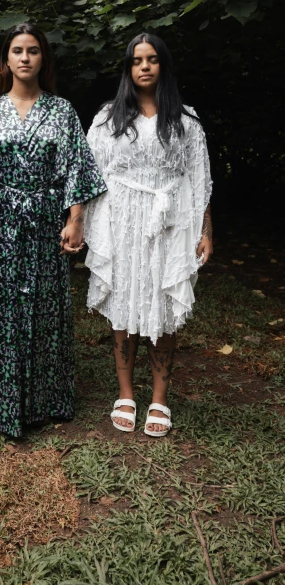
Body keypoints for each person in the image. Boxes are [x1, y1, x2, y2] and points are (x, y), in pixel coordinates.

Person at [0, 23, 107, 437]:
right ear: (6, 60)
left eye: (33, 51)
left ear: (43, 59)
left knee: (48, 308)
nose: (25, 58)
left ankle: (49, 399)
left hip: (47, 219)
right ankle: (2, 401)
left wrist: (74, 221)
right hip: (3, 221)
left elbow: (78, 170)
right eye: (17, 51)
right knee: (3, 309)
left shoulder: (62, 111)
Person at [84, 33, 212, 437]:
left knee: (163, 307)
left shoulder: (186, 121)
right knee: (123, 303)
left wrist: (205, 229)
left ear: (162, 66)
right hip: (121, 219)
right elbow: (92, 175)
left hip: (169, 220)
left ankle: (159, 397)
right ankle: (125, 393)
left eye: (152, 59)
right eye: (137, 60)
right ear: (128, 68)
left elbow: (199, 179)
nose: (144, 66)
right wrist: (87, 224)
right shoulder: (108, 118)